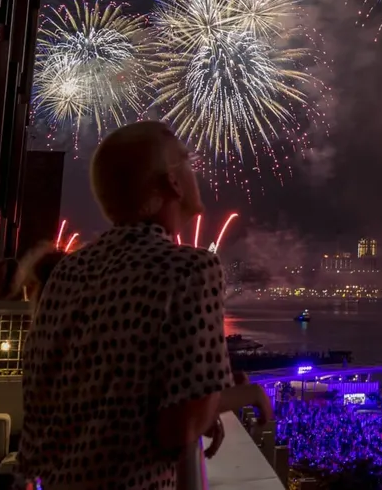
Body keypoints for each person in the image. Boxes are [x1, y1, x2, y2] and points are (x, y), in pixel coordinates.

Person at [18, 121, 271, 489]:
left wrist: (207, 391)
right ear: (172, 182)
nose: (194, 170)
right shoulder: (191, 269)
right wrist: (240, 395)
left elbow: (105, 389)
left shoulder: (67, 271)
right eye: (186, 161)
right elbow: (177, 428)